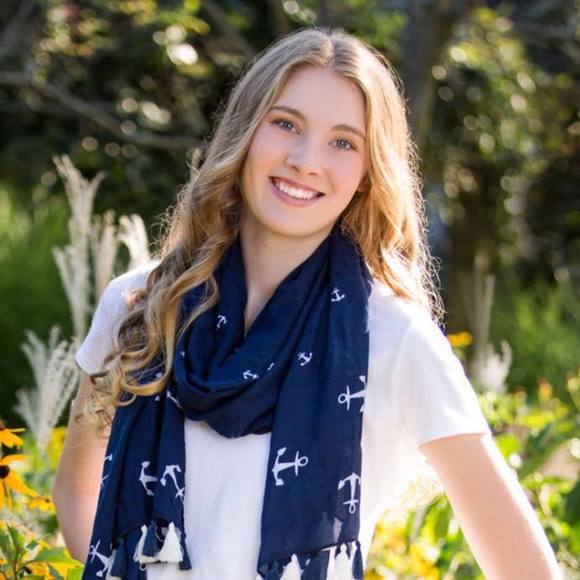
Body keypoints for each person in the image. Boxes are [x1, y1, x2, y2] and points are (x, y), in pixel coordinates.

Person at [53, 26, 561, 580]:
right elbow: (77, 495)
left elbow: (527, 570)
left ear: (367, 174)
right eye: (286, 124)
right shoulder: (139, 306)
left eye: (343, 143)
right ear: (246, 132)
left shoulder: (395, 339)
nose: (305, 160)